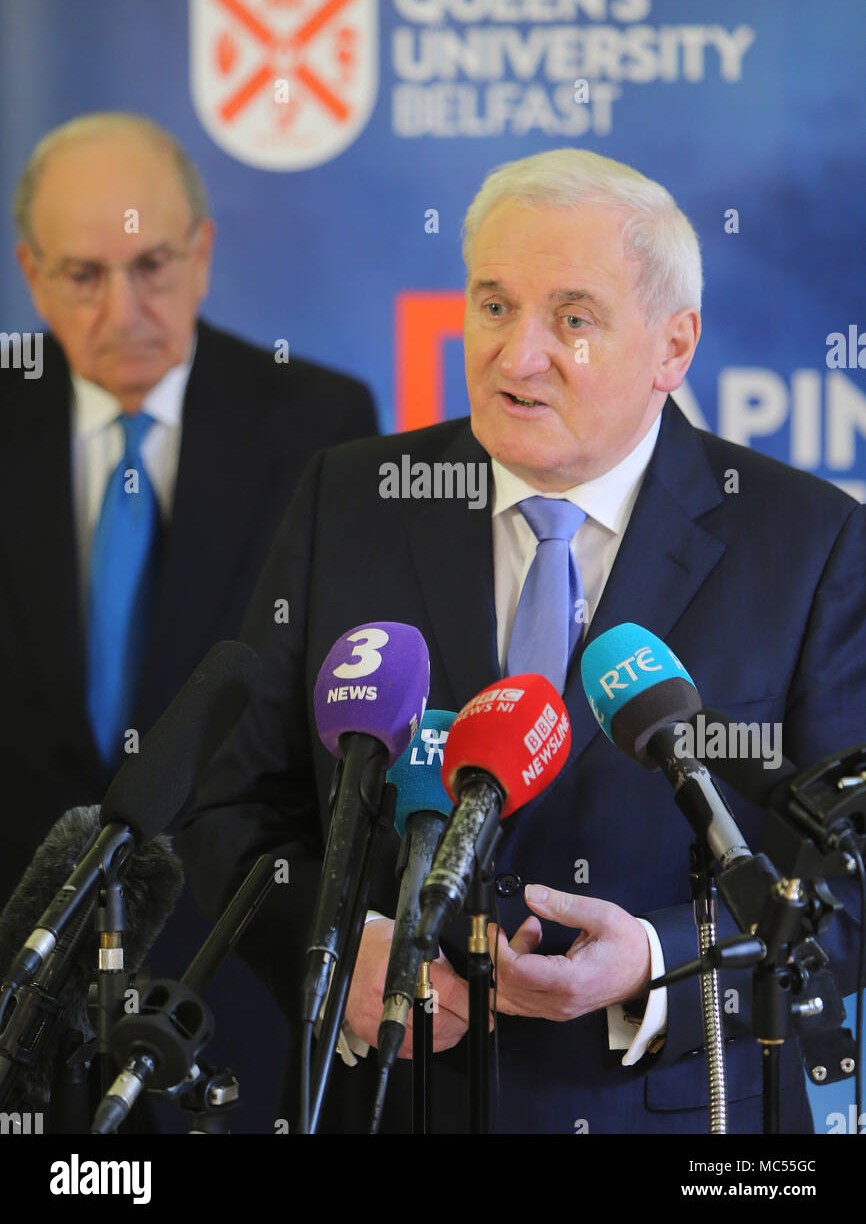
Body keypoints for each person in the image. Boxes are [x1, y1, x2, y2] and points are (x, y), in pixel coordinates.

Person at [177, 148, 866, 1134]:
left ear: (673, 347)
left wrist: (659, 962)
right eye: (493, 305)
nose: (517, 354)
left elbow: (845, 883)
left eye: (571, 319)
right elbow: (231, 805)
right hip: (394, 1105)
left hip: (671, 1113)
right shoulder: (352, 498)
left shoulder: (805, 543)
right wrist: (338, 948)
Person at [1, 112, 379, 1128]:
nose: (124, 308)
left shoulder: (320, 427)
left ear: (203, 253)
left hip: (227, 982)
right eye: (83, 275)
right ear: (31, 272)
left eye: (152, 265)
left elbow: (328, 736)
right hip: (14, 982)